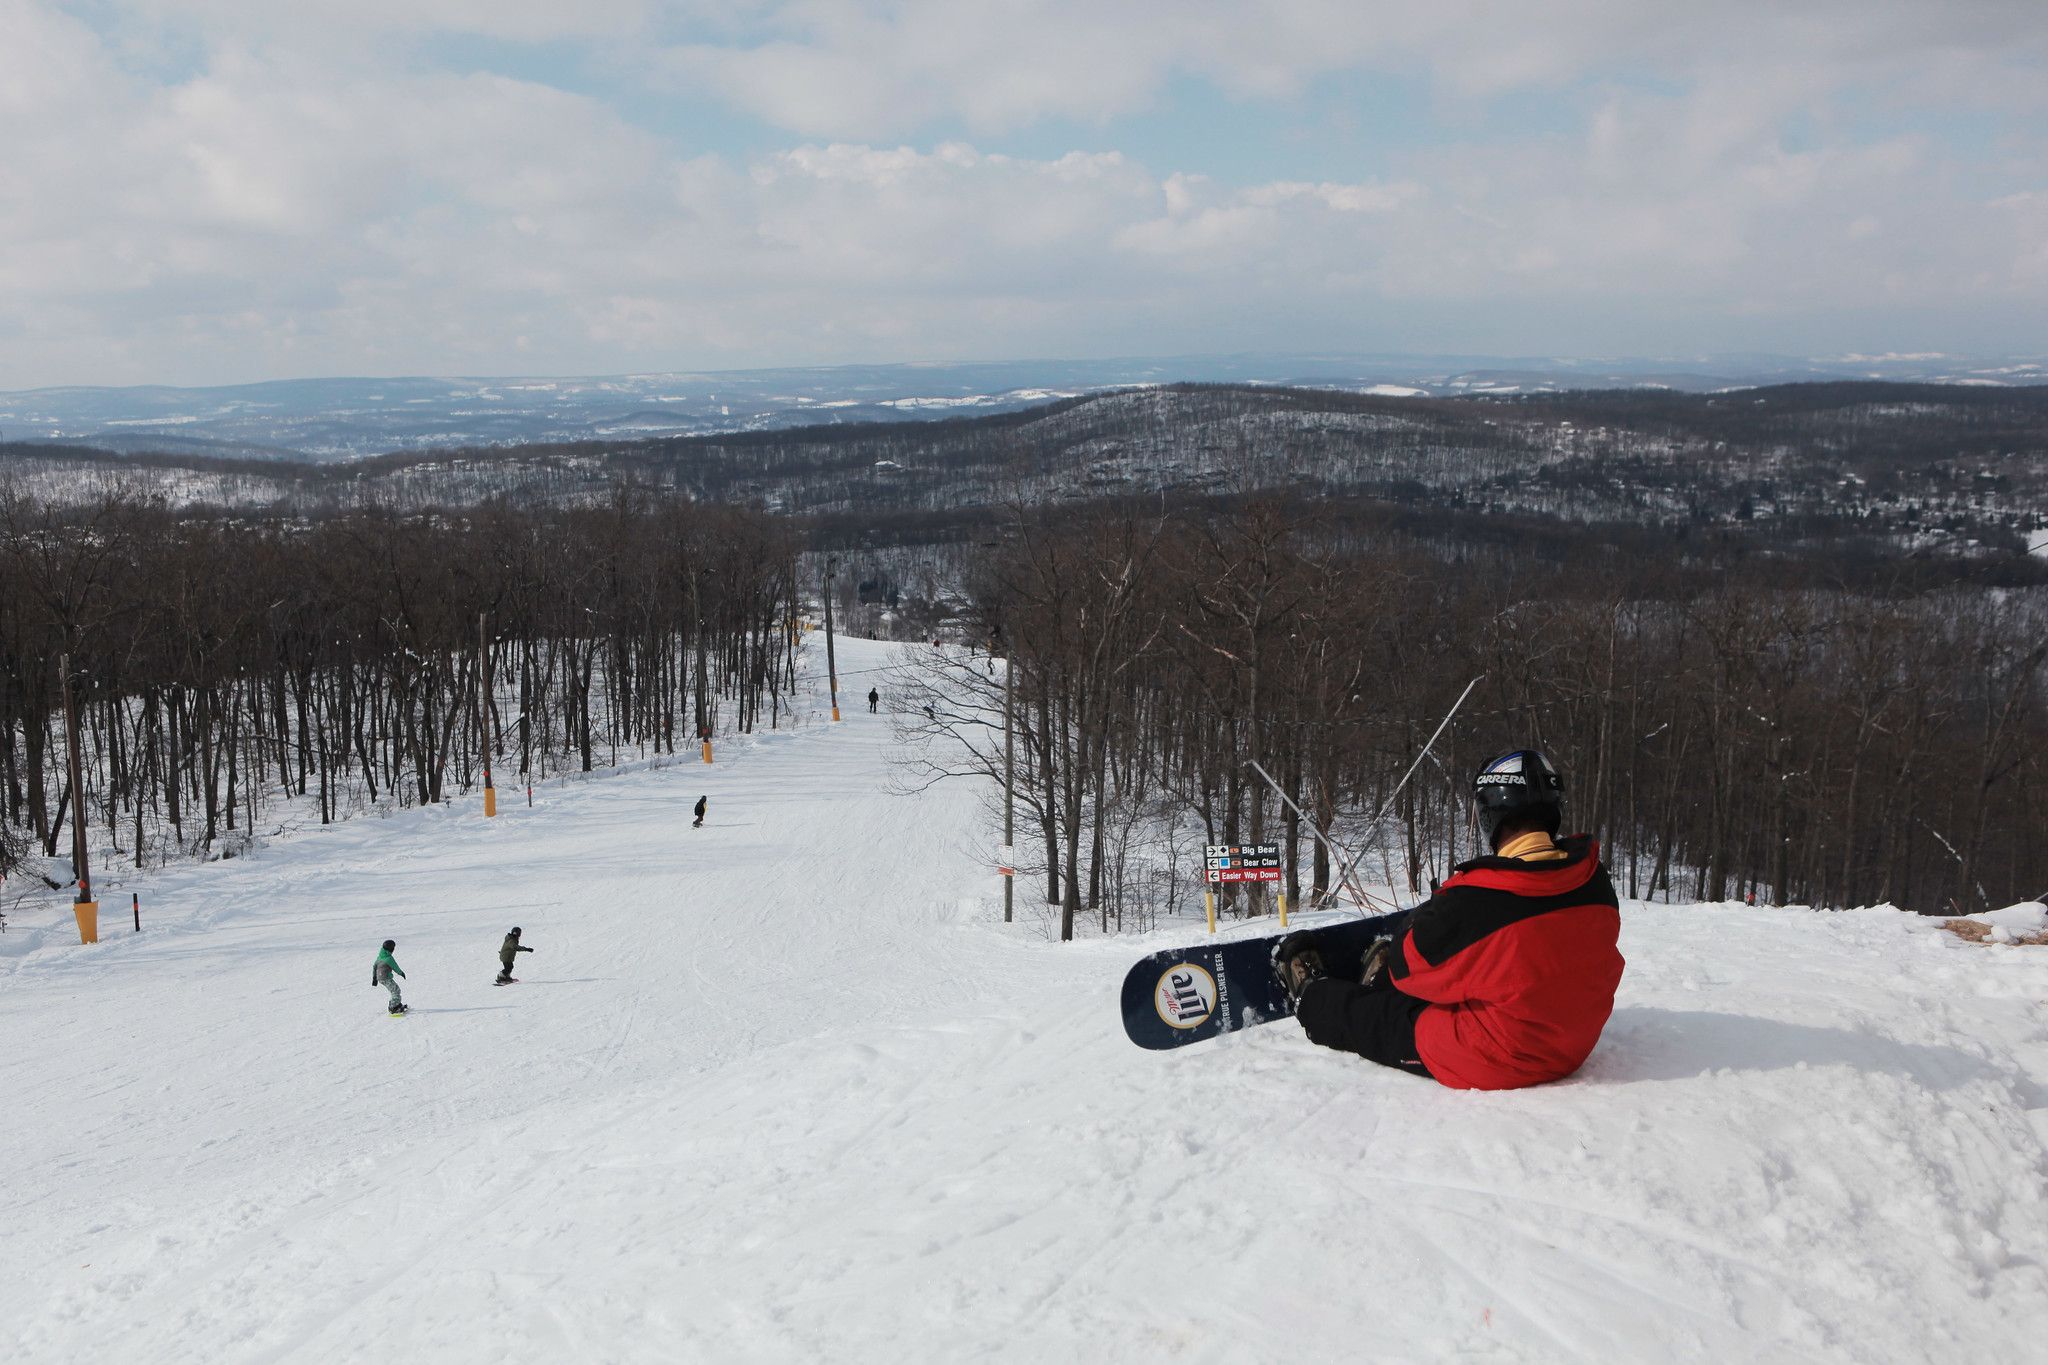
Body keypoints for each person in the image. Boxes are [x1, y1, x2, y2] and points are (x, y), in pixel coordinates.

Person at [1273, 749, 1624, 1090]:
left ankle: (1312, 994)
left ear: (1490, 813)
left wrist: (1435, 911)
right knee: (1476, 972)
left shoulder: (1484, 898)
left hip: (1503, 1056)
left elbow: (1409, 967)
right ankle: (1378, 979)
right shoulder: (1592, 879)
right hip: (1571, 1043)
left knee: (1378, 1018)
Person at [372, 939, 407, 1015]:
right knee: (396, 991)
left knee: (394, 990)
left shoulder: (380, 957)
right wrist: (401, 973)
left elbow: (374, 966)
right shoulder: (389, 958)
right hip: (385, 978)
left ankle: (396, 1005)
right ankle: (393, 1008)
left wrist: (374, 978)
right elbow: (395, 967)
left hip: (380, 978)